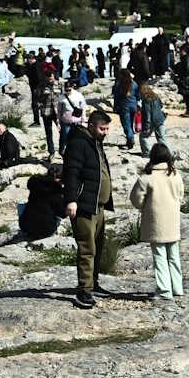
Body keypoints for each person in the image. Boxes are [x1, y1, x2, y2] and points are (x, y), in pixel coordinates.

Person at [64, 110, 115, 309]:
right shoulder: (78, 144)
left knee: (98, 247)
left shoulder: (96, 143)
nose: (105, 132)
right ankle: (83, 291)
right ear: (92, 126)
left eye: (107, 129)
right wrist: (71, 200)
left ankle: (93, 284)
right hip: (84, 206)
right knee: (87, 249)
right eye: (103, 129)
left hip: (98, 207)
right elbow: (71, 173)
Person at [130, 142, 185, 303]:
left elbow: (136, 199)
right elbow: (180, 195)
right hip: (173, 220)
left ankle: (164, 289)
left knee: (160, 256)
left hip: (155, 222)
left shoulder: (146, 178)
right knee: (173, 255)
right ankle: (177, 287)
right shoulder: (175, 175)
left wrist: (144, 207)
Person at [19, 164, 67, 240]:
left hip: (26, 226)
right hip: (46, 229)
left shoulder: (35, 184)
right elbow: (63, 214)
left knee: (25, 205)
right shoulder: (55, 190)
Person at [112, 70, 140, 151]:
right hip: (133, 106)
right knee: (130, 123)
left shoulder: (119, 84)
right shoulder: (134, 84)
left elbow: (116, 97)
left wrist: (115, 107)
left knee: (126, 125)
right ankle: (129, 140)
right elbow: (138, 96)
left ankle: (130, 139)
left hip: (124, 107)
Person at [38, 69, 61, 160]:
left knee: (62, 131)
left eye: (52, 77)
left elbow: (63, 97)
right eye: (49, 78)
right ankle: (51, 152)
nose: (51, 79)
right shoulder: (41, 86)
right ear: (46, 78)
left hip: (57, 112)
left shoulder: (59, 84)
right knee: (49, 133)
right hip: (46, 112)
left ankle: (63, 149)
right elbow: (37, 98)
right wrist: (43, 96)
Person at [138, 84, 167, 155]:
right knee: (162, 139)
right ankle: (169, 154)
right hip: (160, 120)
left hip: (152, 122)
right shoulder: (156, 96)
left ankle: (146, 153)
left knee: (143, 137)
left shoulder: (146, 101)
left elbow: (148, 115)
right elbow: (161, 106)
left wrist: (146, 127)